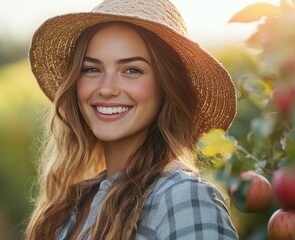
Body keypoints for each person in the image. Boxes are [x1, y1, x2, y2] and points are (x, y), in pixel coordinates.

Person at [25, 0, 239, 239]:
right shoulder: (72, 203)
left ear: (166, 86)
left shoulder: (183, 198)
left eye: (132, 70)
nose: (106, 89)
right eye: (92, 69)